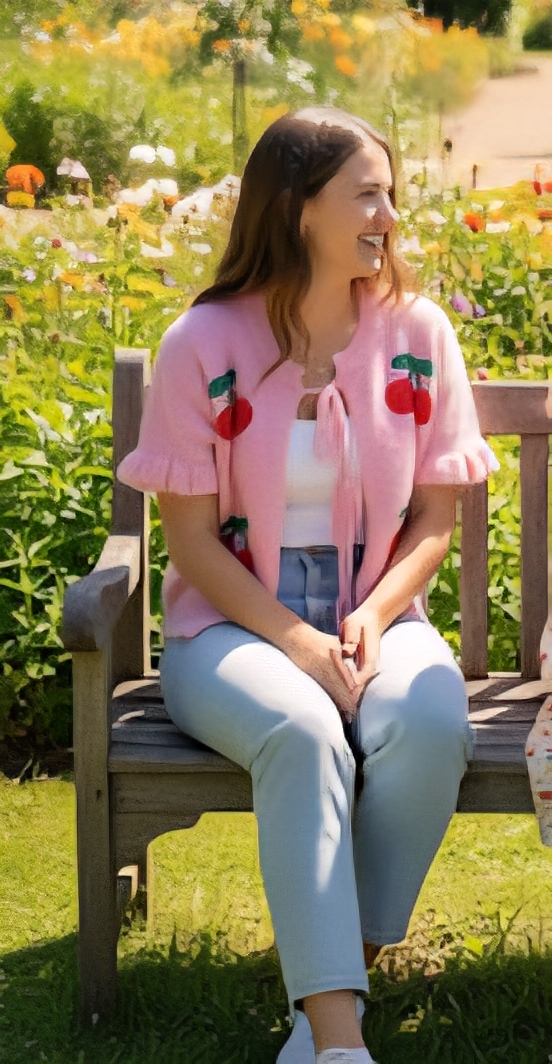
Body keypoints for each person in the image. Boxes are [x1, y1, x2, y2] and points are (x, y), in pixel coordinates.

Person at [116, 106, 499, 1064]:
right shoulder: (200, 342)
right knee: (301, 728)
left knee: (430, 718)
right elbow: (196, 545)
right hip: (231, 629)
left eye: (391, 195)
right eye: (365, 194)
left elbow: (434, 521)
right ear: (297, 210)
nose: (388, 217)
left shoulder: (418, 333)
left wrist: (368, 616)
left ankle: (338, 979)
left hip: (378, 608)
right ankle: (336, 1044)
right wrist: (294, 639)